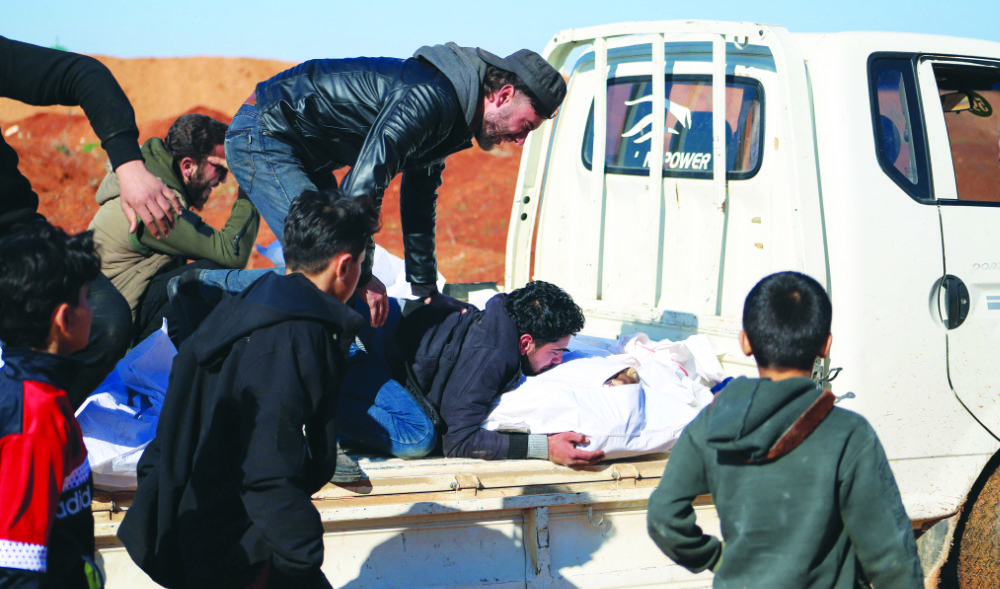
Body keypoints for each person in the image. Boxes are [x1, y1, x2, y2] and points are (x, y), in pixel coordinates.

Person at [198, 43, 566, 328]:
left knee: (338, 270)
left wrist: (426, 292)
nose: (520, 140)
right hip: (265, 132)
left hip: (305, 149)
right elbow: (363, 181)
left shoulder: (456, 113)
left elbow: (420, 196)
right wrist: (365, 274)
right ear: (502, 95)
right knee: (328, 266)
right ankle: (201, 288)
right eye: (526, 126)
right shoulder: (432, 97)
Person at [117, 188, 379, 589]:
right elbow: (265, 468)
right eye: (361, 264)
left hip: (202, 527)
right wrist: (303, 553)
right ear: (344, 266)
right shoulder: (292, 337)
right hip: (240, 548)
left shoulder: (246, 308)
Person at [646, 271, 923, 588]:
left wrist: (716, 559)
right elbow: (890, 555)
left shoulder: (712, 423)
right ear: (825, 346)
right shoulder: (849, 433)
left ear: (745, 342)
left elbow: (663, 517)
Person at [0, 35, 188, 407]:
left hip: (15, 231)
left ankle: (38, 425)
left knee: (106, 321)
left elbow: (84, 74)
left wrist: (129, 166)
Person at [386, 280, 605, 466]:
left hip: (392, 327)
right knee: (418, 438)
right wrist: (546, 447)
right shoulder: (493, 356)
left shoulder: (502, 319)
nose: (558, 360)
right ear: (526, 343)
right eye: (555, 352)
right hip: (371, 348)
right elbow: (458, 441)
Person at [88, 113, 259, 345]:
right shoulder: (152, 202)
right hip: (110, 335)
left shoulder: (146, 178)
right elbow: (232, 253)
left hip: (116, 311)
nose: (223, 179)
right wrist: (251, 178)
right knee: (212, 276)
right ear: (187, 166)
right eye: (219, 167)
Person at [0, 223, 104, 588]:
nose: (92, 309)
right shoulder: (35, 416)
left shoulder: (37, 392)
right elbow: (16, 567)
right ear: (64, 319)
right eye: (87, 298)